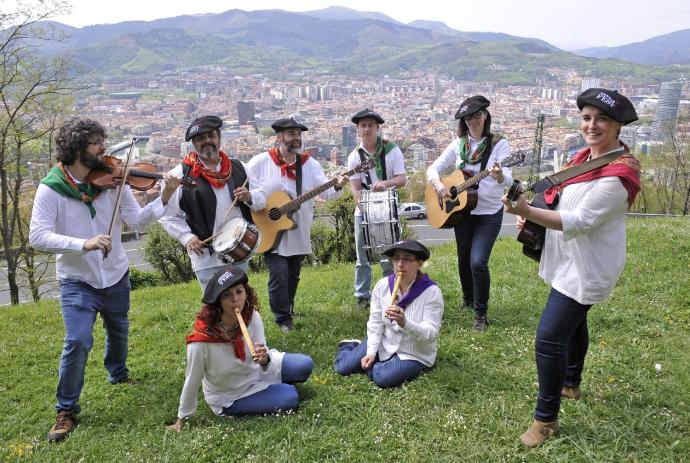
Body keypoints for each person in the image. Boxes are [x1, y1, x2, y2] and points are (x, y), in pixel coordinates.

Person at [502, 88, 641, 447]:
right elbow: (559, 199)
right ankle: (571, 383)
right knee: (574, 326)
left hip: (587, 267)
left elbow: (580, 220)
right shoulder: (586, 158)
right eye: (587, 118)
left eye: (602, 119)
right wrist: (533, 218)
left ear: (618, 126)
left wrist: (528, 213)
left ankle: (545, 420)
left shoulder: (617, 176)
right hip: (569, 261)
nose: (591, 125)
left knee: (548, 340)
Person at [29, 118, 181, 442]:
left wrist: (164, 198)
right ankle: (66, 409)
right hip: (77, 279)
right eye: (96, 143)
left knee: (119, 331)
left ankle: (118, 374)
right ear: (77, 148)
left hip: (115, 274)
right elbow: (37, 236)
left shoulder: (114, 180)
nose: (104, 149)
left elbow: (136, 219)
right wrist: (82, 243)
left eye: (103, 141)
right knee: (78, 341)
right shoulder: (50, 189)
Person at [167, 265, 314, 431]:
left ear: (246, 292)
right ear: (218, 303)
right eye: (227, 295)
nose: (236, 299)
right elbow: (192, 380)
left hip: (255, 373)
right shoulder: (201, 341)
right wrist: (182, 418)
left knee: (304, 365)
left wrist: (264, 359)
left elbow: (263, 356)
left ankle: (272, 387)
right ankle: (267, 393)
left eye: (239, 291)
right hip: (232, 393)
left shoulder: (252, 316)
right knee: (290, 397)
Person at [247, 117, 347, 332]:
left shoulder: (310, 165)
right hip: (270, 229)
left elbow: (327, 193)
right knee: (279, 274)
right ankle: (282, 318)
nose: (296, 138)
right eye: (291, 134)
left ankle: (288, 308)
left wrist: (338, 185)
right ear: (279, 137)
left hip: (299, 229)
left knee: (293, 274)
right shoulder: (259, 162)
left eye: (298, 134)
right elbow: (246, 191)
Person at [426, 95, 513, 331]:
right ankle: (468, 298)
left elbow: (509, 178)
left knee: (478, 261)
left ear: (485, 115)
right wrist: (439, 185)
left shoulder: (498, 144)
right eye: (468, 117)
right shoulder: (458, 144)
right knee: (464, 258)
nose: (473, 120)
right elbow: (432, 169)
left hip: (488, 213)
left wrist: (500, 176)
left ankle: (481, 313)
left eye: (477, 115)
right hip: (462, 212)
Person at [159, 115, 266, 291]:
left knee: (240, 303)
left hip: (238, 253)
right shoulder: (180, 175)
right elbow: (166, 215)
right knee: (214, 309)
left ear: (219, 139)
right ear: (193, 144)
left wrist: (249, 197)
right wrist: (187, 238)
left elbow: (262, 199)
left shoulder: (239, 167)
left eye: (211, 136)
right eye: (201, 138)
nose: (207, 141)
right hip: (206, 258)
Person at [335, 240, 444, 388]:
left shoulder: (431, 292)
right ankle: (350, 346)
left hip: (413, 353)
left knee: (383, 378)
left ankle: (373, 365)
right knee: (342, 368)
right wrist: (371, 352)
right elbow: (375, 322)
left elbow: (431, 334)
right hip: (384, 342)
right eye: (396, 258)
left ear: (419, 263)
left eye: (406, 259)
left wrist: (404, 323)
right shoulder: (383, 286)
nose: (400, 264)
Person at [347, 109, 407, 309]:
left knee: (388, 253)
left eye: (370, 125)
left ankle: (389, 290)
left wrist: (385, 183)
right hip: (363, 210)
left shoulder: (392, 150)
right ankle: (362, 295)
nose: (366, 129)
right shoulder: (355, 156)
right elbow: (355, 188)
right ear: (358, 129)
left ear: (377, 128)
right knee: (361, 255)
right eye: (363, 126)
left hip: (388, 209)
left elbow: (402, 179)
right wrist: (364, 211)